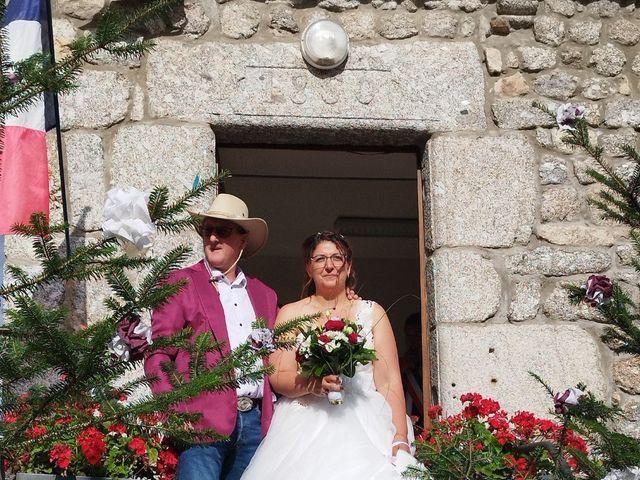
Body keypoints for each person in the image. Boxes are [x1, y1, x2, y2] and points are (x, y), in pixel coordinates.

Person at [241, 231, 414, 480]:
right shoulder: (291, 313)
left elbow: (389, 381)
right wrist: (314, 384)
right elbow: (278, 376)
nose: (329, 265)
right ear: (309, 267)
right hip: (305, 424)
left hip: (366, 421)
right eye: (320, 259)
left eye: (337, 258)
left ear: (349, 265)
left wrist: (400, 437)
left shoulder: (372, 313)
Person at [144, 193, 278, 480]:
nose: (213, 238)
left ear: (243, 239)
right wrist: (176, 412)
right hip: (201, 421)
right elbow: (158, 356)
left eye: (223, 230)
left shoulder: (264, 294)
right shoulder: (181, 283)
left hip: (255, 423)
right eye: (208, 230)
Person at [400, 312, 424, 429]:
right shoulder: (400, 365)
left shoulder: (430, 366)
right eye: (409, 336)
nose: (412, 341)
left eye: (416, 335)